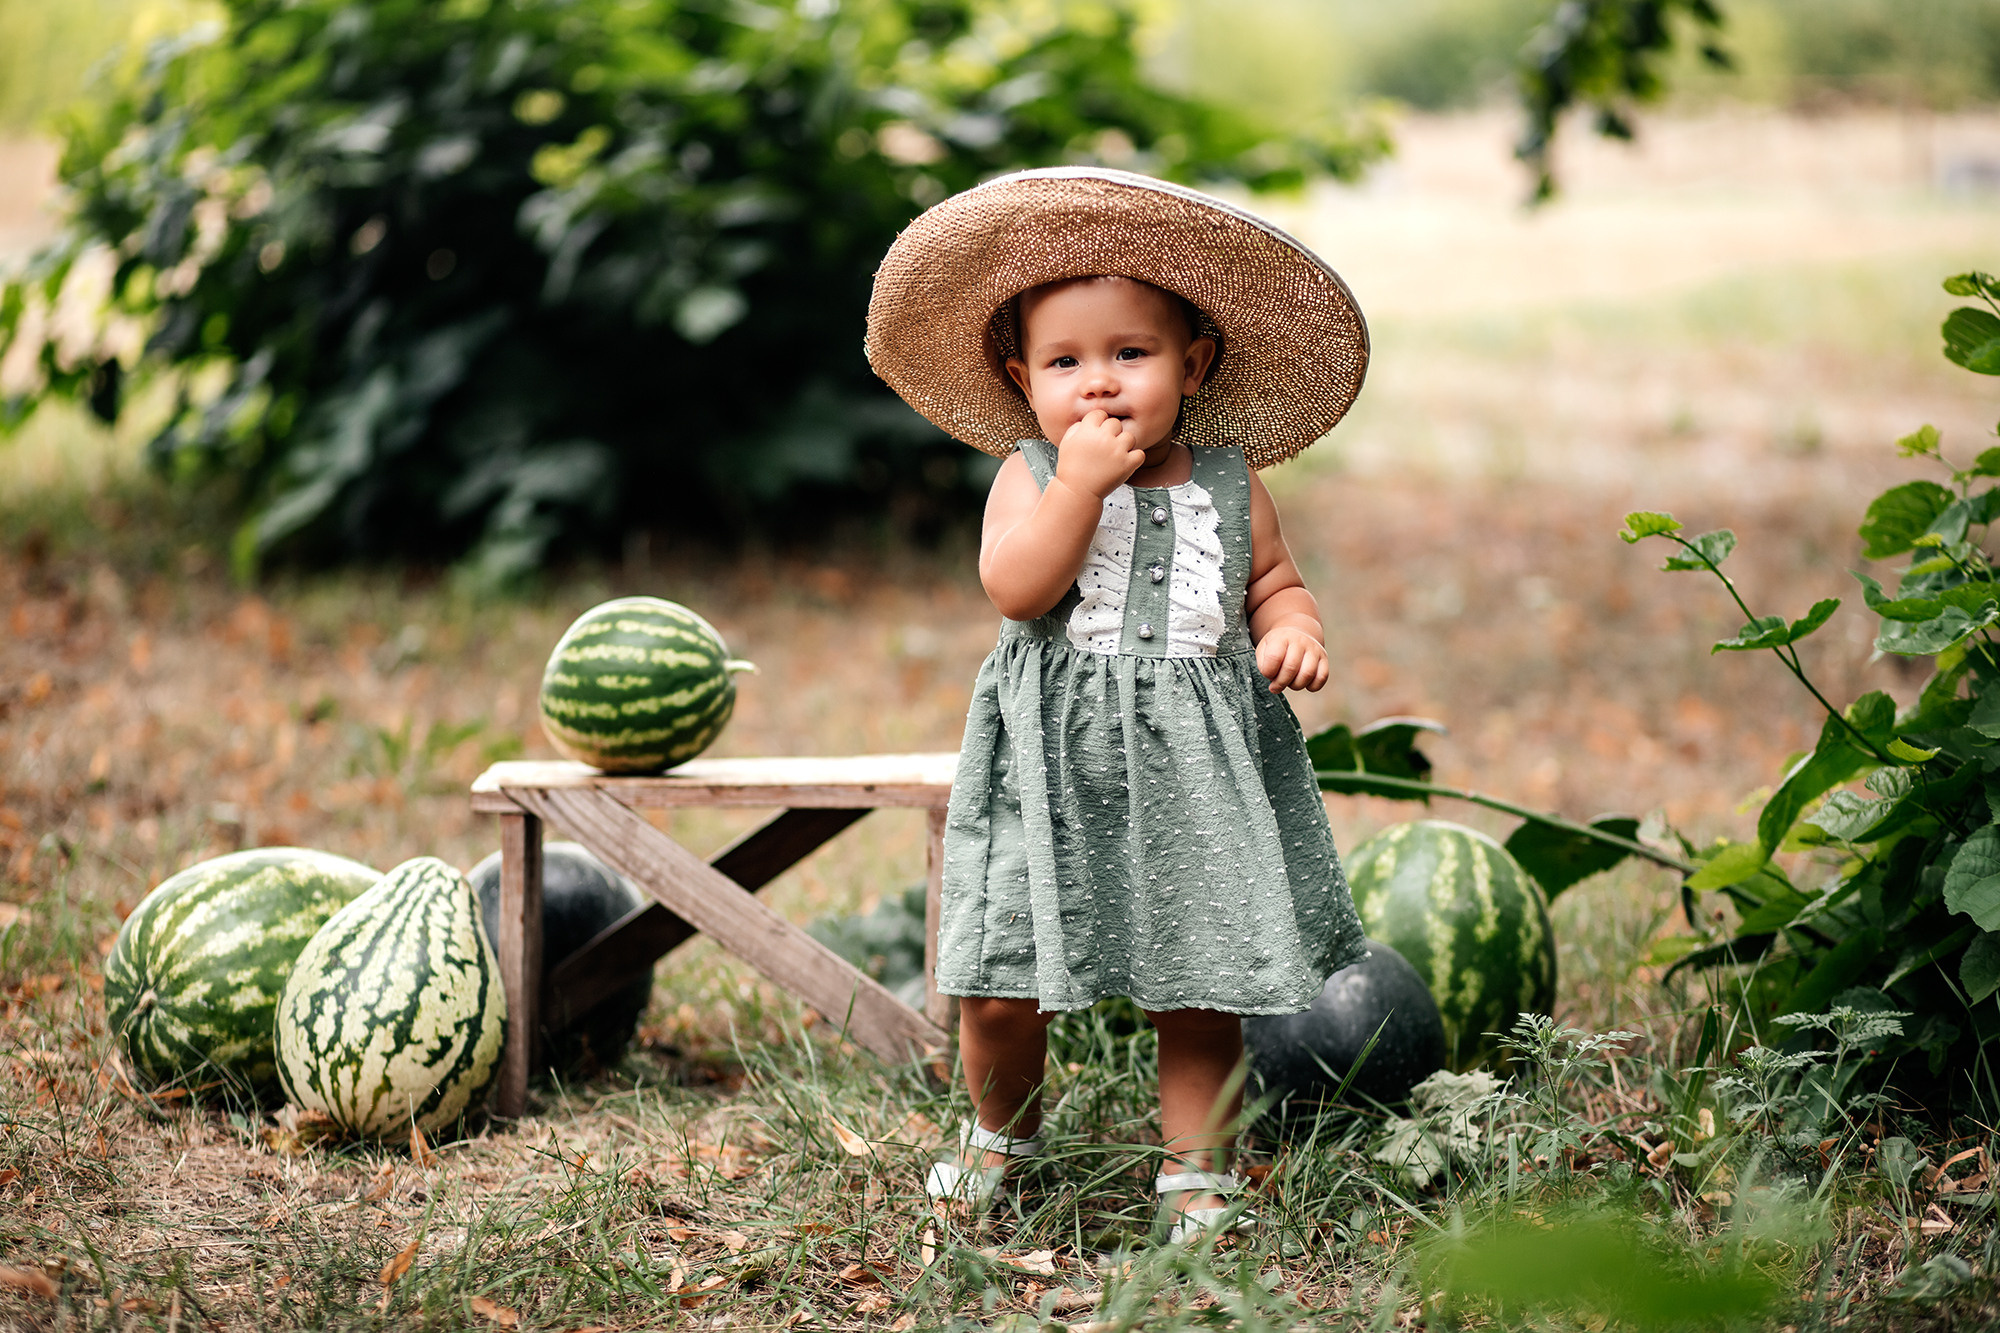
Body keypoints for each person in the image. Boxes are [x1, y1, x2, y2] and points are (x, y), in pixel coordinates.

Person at [864, 167, 1372, 1243]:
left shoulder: (1229, 482)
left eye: (1128, 355)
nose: (1097, 384)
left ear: (1191, 365)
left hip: (1191, 775)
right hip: (1048, 774)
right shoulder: (1031, 472)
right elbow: (1015, 587)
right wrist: (1079, 487)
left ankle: (1195, 1170)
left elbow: (1272, 580)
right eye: (1064, 362)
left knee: (1196, 988)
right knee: (1000, 980)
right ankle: (999, 1133)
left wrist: (1290, 628)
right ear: (1020, 378)